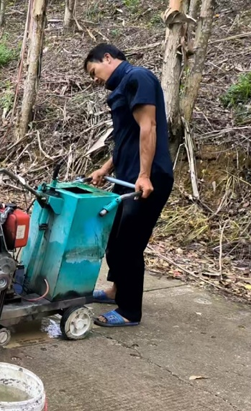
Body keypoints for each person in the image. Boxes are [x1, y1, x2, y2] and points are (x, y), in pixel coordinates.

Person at [83, 43, 174, 327]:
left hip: (146, 178)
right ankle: (115, 290)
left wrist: (145, 175)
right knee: (112, 238)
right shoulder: (124, 86)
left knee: (129, 246)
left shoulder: (138, 77)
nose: (95, 79)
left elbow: (149, 127)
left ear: (108, 58)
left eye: (94, 71)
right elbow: (128, 138)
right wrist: (106, 167)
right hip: (127, 176)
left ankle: (129, 311)